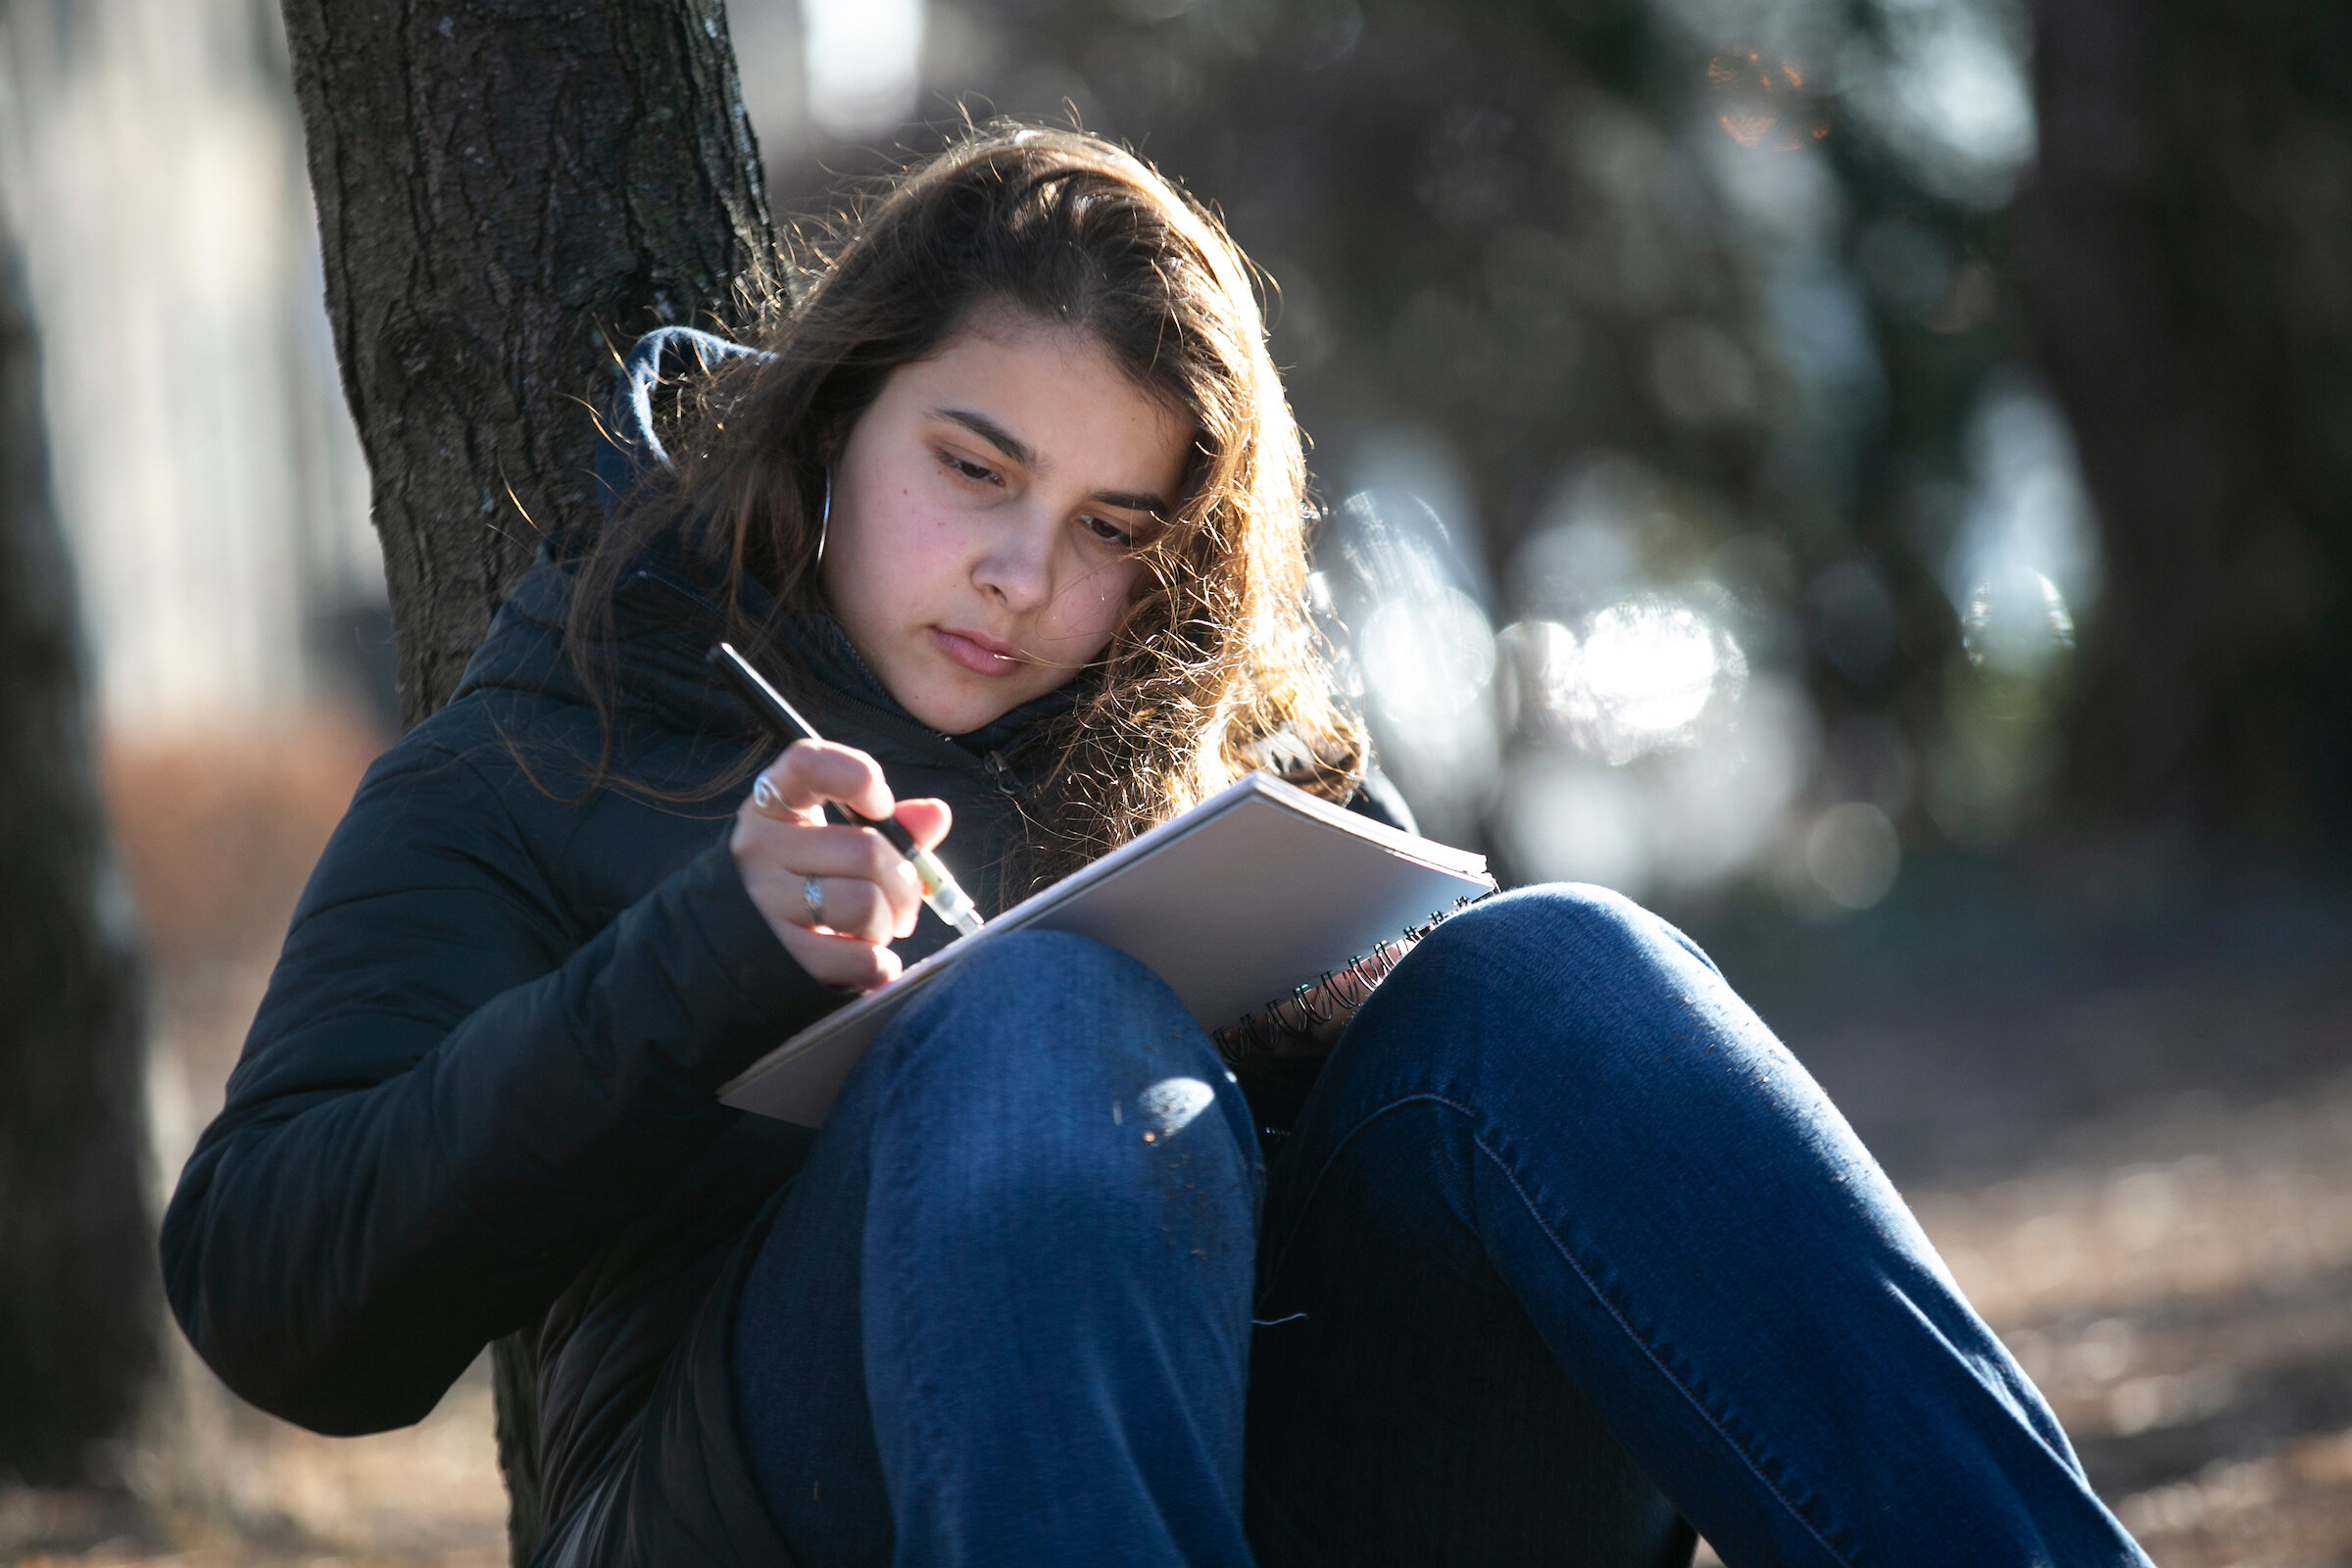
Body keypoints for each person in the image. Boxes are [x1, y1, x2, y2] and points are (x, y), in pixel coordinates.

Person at [161, 124, 2149, 1568]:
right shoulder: (556, 735)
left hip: (1285, 1466)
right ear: (839, 408)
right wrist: (695, 955)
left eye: (1118, 527)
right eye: (975, 469)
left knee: (1562, 971)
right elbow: (273, 1292)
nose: (1027, 576)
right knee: (1032, 1015)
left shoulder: (1198, 733)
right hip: (763, 1503)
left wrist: (1335, 1033)